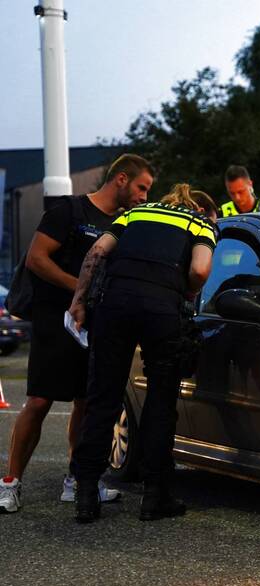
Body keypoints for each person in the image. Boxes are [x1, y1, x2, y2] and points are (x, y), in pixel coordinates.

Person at [0, 154, 154, 514]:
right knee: (39, 401)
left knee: (87, 403)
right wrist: (80, 291)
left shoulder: (124, 223)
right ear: (120, 179)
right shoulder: (68, 212)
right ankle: (10, 483)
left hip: (97, 325)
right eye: (141, 187)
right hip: (56, 320)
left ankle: (77, 480)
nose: (144, 196)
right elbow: (38, 259)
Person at [67, 184, 218, 523]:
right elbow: (200, 270)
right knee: (160, 402)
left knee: (103, 398)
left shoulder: (135, 213)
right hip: (162, 311)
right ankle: (155, 495)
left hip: (114, 306)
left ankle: (86, 493)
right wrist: (188, 295)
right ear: (204, 210)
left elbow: (96, 253)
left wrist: (78, 300)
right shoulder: (200, 223)